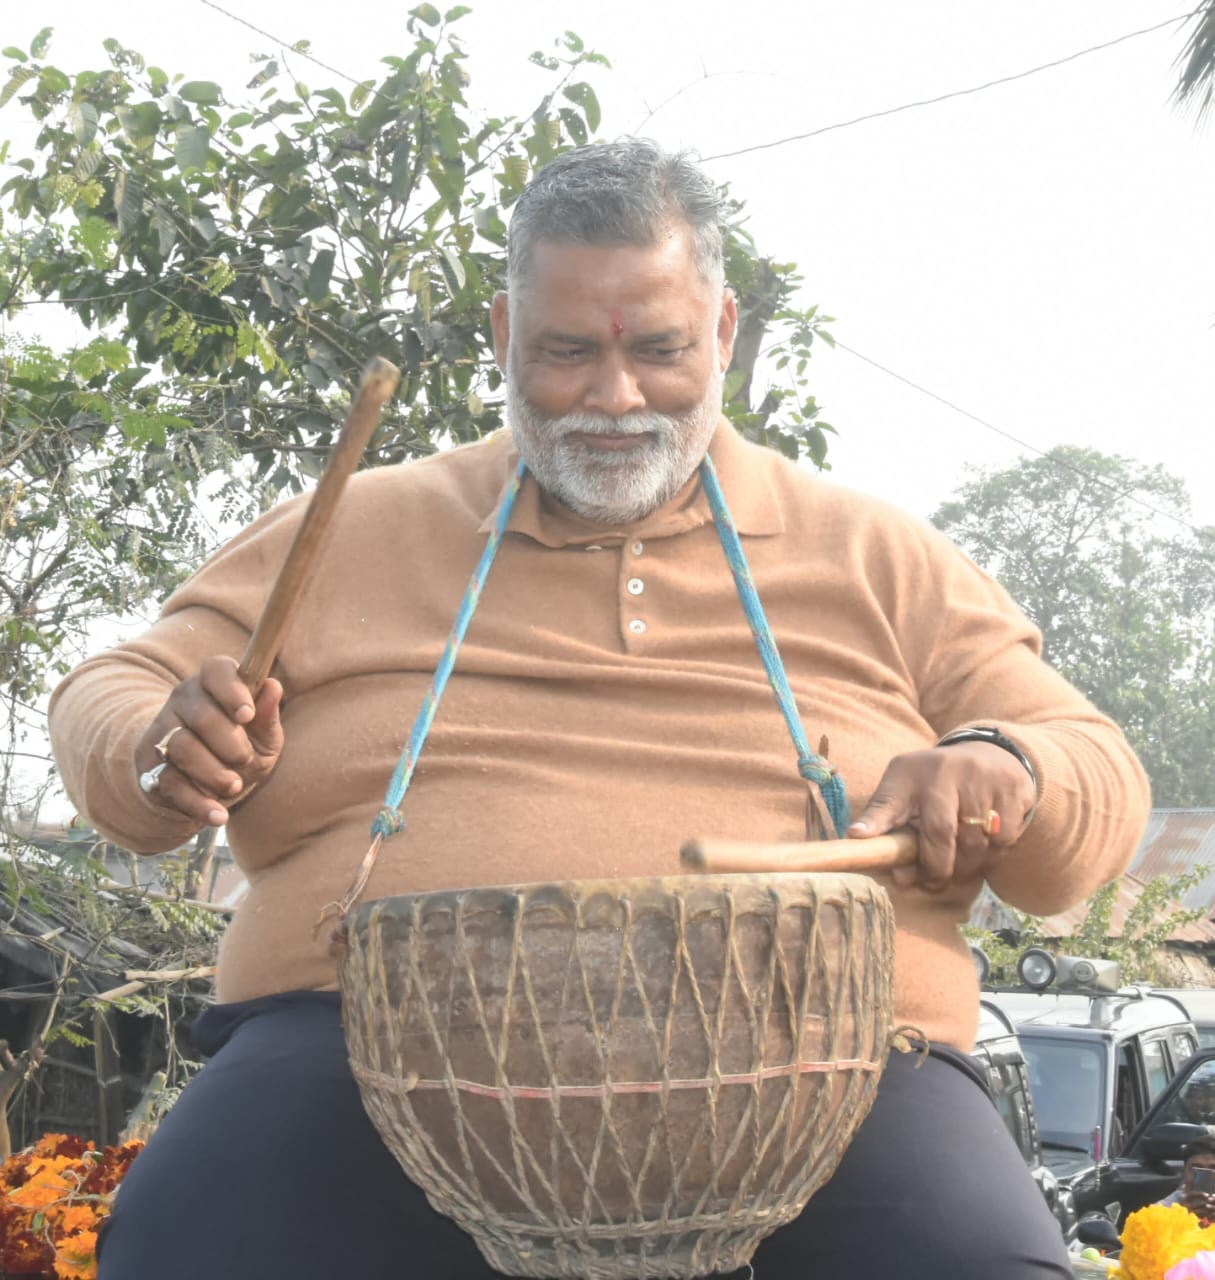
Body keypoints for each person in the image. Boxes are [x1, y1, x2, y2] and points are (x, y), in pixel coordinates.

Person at [48, 139, 1151, 1278]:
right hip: (360, 1042)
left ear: (722, 333)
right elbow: (114, 690)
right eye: (568, 351)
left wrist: (1002, 758)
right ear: (502, 337)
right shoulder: (357, 524)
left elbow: (1090, 769)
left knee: (972, 1259)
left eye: (661, 351)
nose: (615, 397)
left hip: (836, 1058)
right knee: (193, 1246)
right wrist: (155, 747)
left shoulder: (875, 554)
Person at [1157, 1138, 1215, 1219]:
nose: (1206, 1177)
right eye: (1196, 1169)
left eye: (1213, 1169)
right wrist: (1182, 1216)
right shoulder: (1162, 1210)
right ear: (1184, 1172)